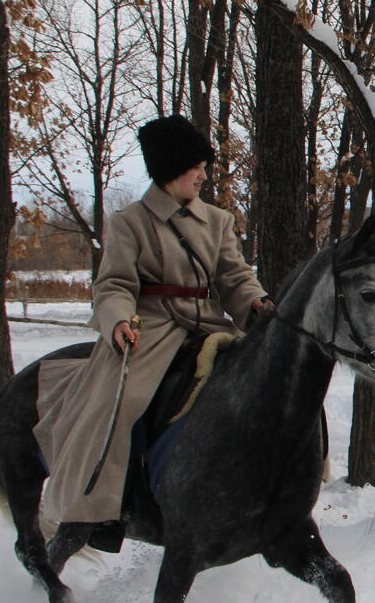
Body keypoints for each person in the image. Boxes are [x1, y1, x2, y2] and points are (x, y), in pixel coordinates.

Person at [34, 115, 273, 535]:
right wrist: (118, 321)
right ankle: (106, 505)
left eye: (204, 167)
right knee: (122, 404)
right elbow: (114, 284)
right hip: (151, 328)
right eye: (195, 167)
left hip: (209, 323)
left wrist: (256, 302)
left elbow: (234, 277)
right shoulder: (129, 222)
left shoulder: (218, 221)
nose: (203, 175)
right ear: (170, 168)